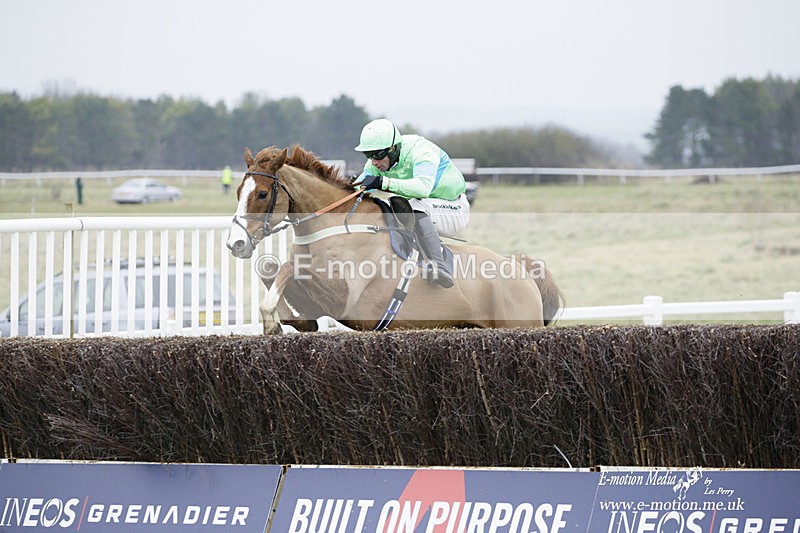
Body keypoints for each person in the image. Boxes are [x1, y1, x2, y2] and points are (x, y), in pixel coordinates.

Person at [354, 118, 470, 288]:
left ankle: (440, 265)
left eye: (377, 155)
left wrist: (383, 183)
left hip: (453, 208)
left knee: (412, 206)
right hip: (427, 207)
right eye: (368, 155)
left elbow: (423, 188)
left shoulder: (420, 150)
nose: (374, 162)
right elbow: (356, 191)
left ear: (393, 149)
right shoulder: (375, 164)